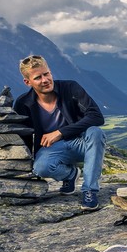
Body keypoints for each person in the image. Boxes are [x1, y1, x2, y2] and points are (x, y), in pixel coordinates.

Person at [13, 55, 106, 211]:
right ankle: (70, 174)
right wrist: (28, 164)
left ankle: (89, 191)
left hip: (82, 143)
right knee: (41, 168)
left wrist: (60, 132)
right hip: (54, 149)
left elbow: (96, 116)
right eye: (38, 77)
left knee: (96, 132)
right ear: (27, 82)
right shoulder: (23, 103)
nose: (45, 80)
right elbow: (24, 136)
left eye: (46, 74)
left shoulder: (70, 88)